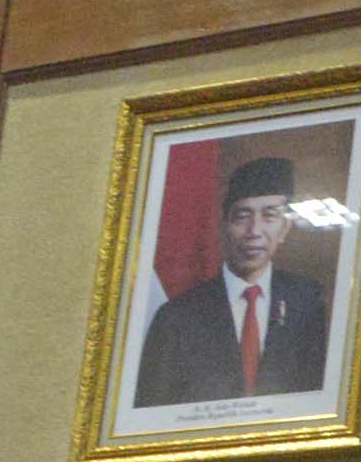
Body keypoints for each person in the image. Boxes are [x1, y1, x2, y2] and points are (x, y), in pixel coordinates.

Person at [135, 153, 333, 406]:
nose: (254, 232)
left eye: (269, 216)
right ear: (224, 226)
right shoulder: (176, 317)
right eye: (242, 216)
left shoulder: (307, 301)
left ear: (285, 228)